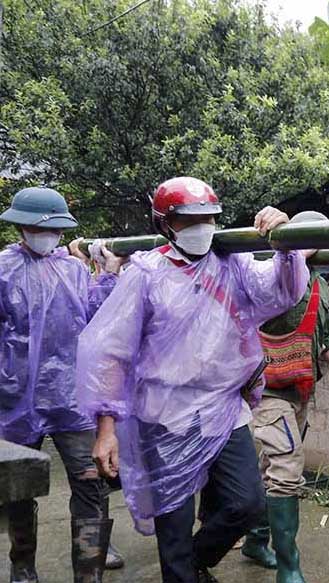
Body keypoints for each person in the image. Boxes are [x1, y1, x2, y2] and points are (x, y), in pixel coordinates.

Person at [75, 177, 309, 583]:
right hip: (165, 418)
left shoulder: (231, 264)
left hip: (224, 410)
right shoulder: (146, 274)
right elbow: (111, 352)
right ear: (167, 224)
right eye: (190, 219)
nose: (203, 227)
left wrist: (284, 245)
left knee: (247, 503)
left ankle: (195, 560)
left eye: (210, 218)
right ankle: (184, 568)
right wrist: (106, 428)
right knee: (175, 525)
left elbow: (281, 291)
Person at [0, 187, 123, 583]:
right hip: (14, 395)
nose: (46, 234)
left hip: (71, 396)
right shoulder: (2, 270)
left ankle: (90, 573)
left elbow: (99, 320)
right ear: (21, 227)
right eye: (39, 227)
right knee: (18, 487)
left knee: (92, 483)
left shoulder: (73, 269)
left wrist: (107, 276)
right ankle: (22, 565)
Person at [239, 210, 329, 582]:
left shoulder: (318, 284)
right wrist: (290, 255)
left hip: (299, 393)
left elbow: (324, 339)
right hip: (267, 392)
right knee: (288, 469)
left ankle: (256, 541)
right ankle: (290, 567)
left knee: (268, 471)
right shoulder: (274, 276)